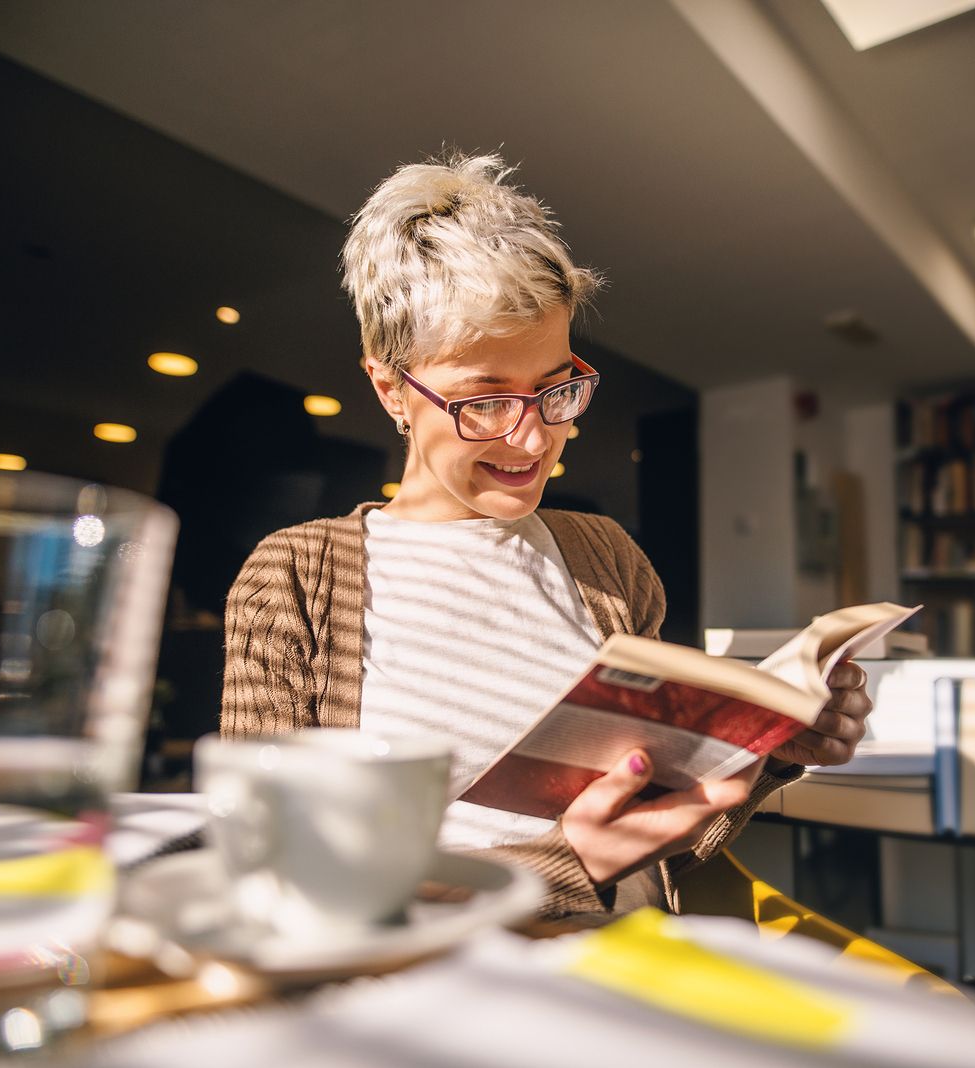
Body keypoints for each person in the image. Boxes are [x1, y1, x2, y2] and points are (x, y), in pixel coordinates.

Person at [221, 152, 872, 918]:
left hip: (630, 959)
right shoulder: (296, 577)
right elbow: (268, 874)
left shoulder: (606, 561)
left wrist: (765, 752)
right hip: (427, 987)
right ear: (390, 387)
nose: (534, 442)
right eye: (485, 401)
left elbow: (661, 838)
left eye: (555, 389)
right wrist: (568, 863)